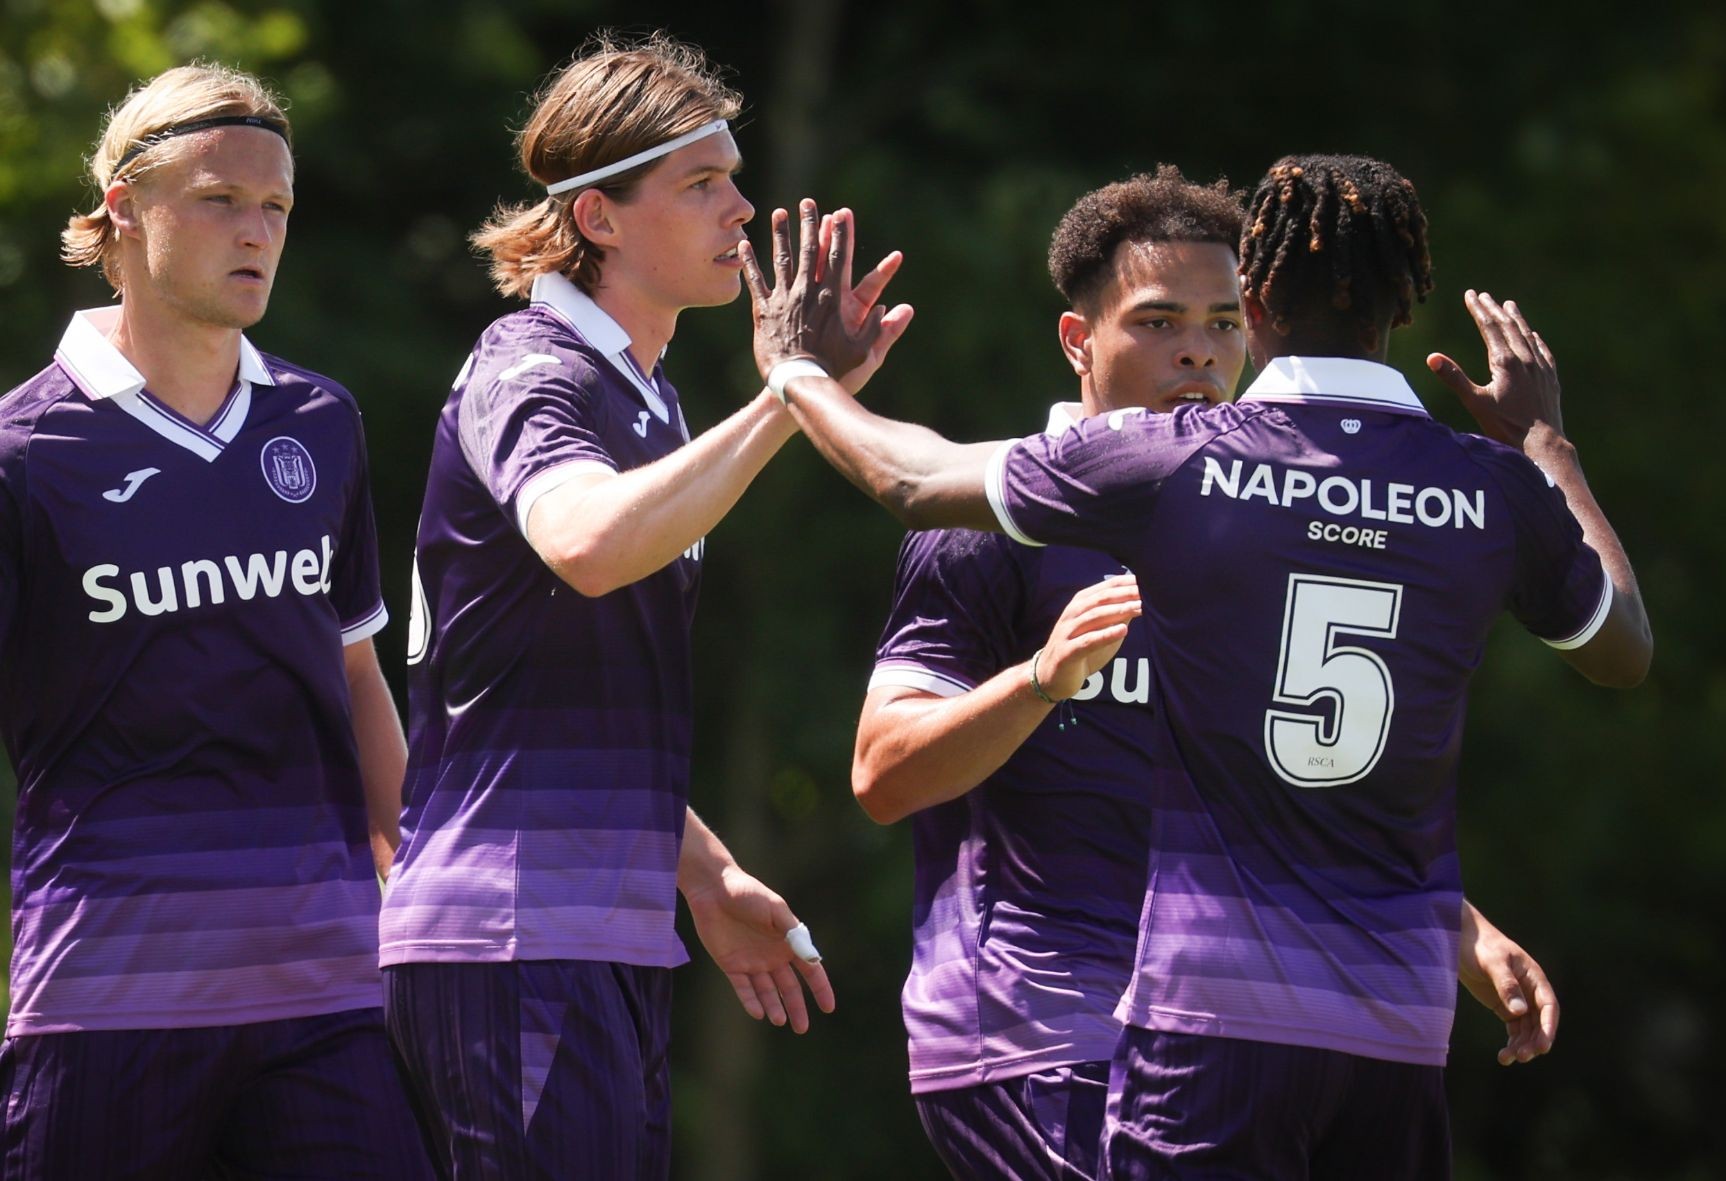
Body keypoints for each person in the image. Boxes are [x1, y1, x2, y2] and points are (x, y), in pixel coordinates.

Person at [743, 154, 1650, 1179]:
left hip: (1219, 1028)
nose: (1198, 351)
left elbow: (1282, 773)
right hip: (1043, 1027)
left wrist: (1454, 925)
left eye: (1220, 323)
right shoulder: (992, 531)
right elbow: (882, 772)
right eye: (1160, 321)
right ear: (1077, 340)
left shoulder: (1243, 510)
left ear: (1256, 321)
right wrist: (1039, 681)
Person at [377, 33, 911, 1179]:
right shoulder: (529, 364)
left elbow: (565, 698)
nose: (741, 209)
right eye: (701, 182)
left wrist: (705, 875)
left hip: (600, 932)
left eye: (734, 178)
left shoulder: (649, 399)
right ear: (599, 218)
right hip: (510, 932)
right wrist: (789, 394)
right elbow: (586, 544)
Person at [0, 65, 430, 1178]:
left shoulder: (320, 420)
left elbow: (356, 674)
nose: (257, 231)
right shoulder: (24, 455)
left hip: (326, 990)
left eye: (276, 205)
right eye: (220, 200)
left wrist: (425, 888)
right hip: (105, 994)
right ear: (124, 209)